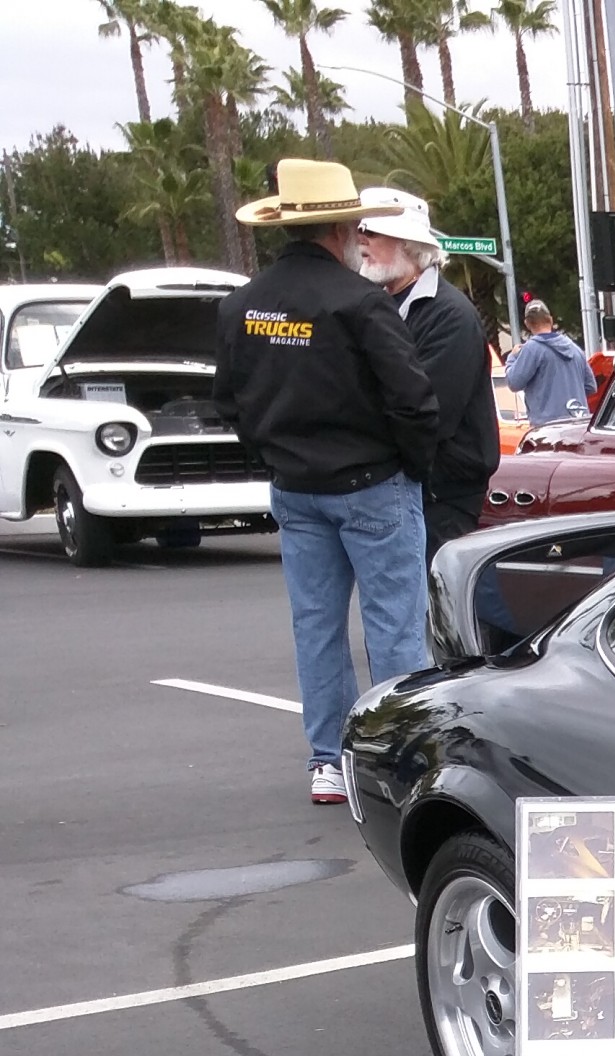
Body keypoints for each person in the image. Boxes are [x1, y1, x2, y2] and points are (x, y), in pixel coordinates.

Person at [212, 158, 439, 805]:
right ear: (342, 227)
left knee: (315, 624)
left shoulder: (244, 306)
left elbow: (228, 403)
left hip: (296, 485)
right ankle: (399, 757)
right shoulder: (359, 302)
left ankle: (327, 760)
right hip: (370, 481)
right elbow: (413, 400)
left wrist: (274, 453)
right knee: (395, 625)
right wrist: (410, 464)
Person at [355, 193, 502, 553]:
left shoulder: (450, 315)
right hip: (402, 487)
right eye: (360, 230)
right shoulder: (379, 306)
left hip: (442, 496)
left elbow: (431, 412)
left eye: (372, 232)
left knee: (435, 605)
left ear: (407, 244)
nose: (361, 240)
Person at [501, 296, 594, 427]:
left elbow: (514, 383)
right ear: (550, 320)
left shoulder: (532, 349)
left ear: (527, 324)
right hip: (578, 426)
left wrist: (512, 358)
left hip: (547, 429)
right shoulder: (575, 349)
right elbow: (591, 386)